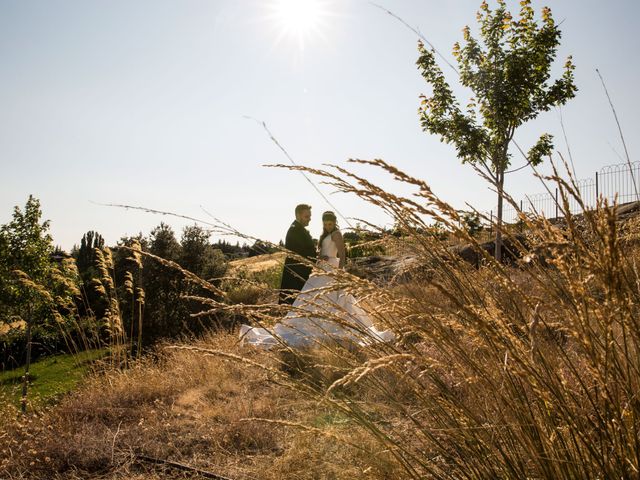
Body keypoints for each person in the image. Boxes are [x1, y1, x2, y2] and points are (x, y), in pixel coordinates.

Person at [240, 211, 394, 348]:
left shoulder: (337, 234)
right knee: (312, 298)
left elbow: (342, 254)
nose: (328, 226)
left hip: (333, 269)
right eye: (326, 224)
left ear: (335, 223)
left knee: (334, 299)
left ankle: (337, 327)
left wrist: (339, 272)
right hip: (322, 269)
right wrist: (320, 257)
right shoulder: (325, 235)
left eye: (330, 223)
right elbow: (322, 252)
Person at [279, 204, 317, 305]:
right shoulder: (295, 230)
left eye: (310, 216)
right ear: (298, 215)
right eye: (307, 216)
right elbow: (301, 254)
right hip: (296, 275)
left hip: (299, 273)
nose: (309, 219)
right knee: (295, 305)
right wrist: (317, 259)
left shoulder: (299, 229)